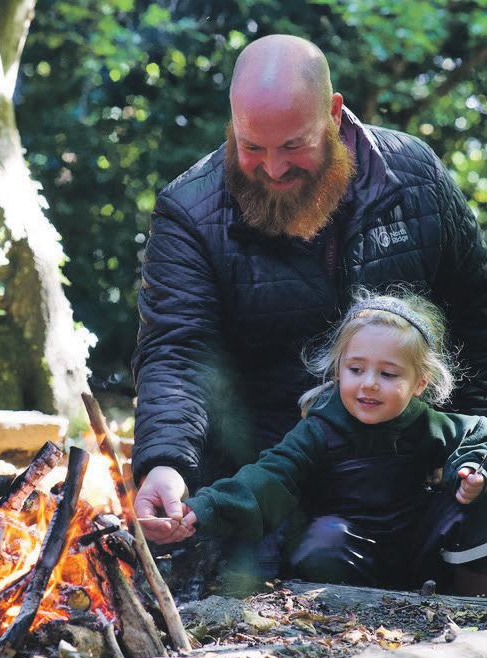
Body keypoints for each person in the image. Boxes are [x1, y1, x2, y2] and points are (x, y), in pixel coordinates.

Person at [132, 35, 487, 562]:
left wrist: (475, 454)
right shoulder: (189, 212)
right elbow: (178, 353)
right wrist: (166, 462)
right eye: (252, 147)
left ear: (334, 115)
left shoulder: (415, 178)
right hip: (266, 485)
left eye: (293, 146)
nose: (274, 168)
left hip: (415, 475)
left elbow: (477, 319)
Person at [160, 290, 487, 594]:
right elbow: (272, 474)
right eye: (356, 369)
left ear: (419, 383)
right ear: (338, 371)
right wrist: (209, 507)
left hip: (415, 544)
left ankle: (470, 602)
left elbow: (480, 431)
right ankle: (346, 603)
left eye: (388, 374)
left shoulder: (426, 422)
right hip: (346, 546)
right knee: (323, 542)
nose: (369, 384)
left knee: (479, 505)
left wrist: (470, 468)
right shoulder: (321, 428)